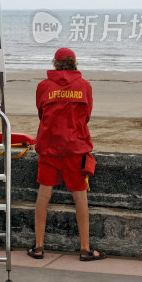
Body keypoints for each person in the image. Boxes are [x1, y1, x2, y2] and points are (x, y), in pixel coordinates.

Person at [28, 48, 105, 261]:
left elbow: (41, 114)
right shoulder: (84, 86)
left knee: (44, 195)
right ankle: (85, 248)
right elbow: (86, 116)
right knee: (80, 196)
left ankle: (39, 246)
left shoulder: (43, 86)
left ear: (55, 63)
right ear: (74, 63)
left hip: (50, 147)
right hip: (75, 148)